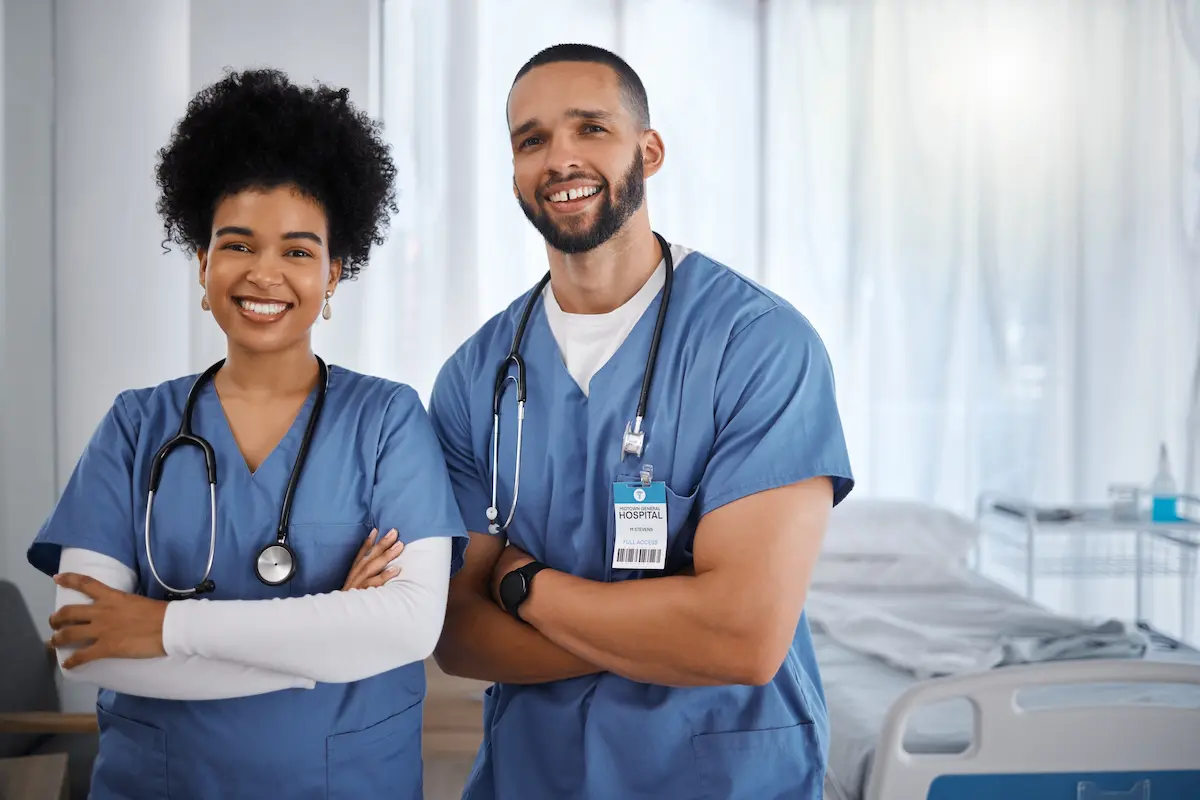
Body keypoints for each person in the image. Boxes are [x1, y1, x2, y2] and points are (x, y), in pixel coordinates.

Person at [26, 68, 469, 800]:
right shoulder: (135, 426)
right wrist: (322, 651)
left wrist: (162, 628)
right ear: (202, 264)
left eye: (298, 251)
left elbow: (408, 627)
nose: (265, 273)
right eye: (237, 245)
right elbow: (84, 643)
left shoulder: (389, 420)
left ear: (335, 275)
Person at [428, 43, 855, 799]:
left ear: (648, 151)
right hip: (535, 775)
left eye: (590, 128)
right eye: (532, 140)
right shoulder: (476, 377)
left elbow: (744, 638)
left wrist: (525, 587)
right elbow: (457, 635)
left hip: (723, 776)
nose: (559, 158)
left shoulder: (758, 345)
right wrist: (664, 632)